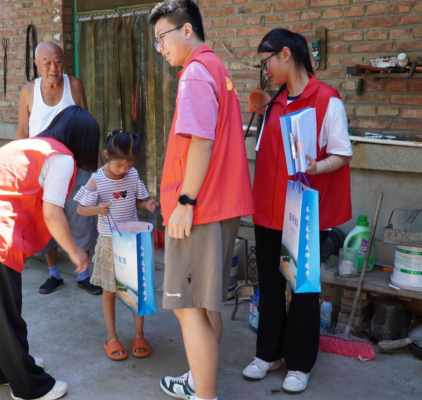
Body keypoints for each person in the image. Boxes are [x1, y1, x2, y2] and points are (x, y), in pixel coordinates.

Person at [0, 106, 100, 400]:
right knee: (4, 312)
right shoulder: (61, 156)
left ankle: (8, 370)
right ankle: (29, 387)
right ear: (84, 139)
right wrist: (76, 252)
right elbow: (53, 213)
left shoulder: (29, 145)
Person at [149, 1, 254, 400]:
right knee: (207, 305)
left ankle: (204, 395)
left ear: (187, 30)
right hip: (221, 206)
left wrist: (186, 201)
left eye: (163, 37)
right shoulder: (217, 68)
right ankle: (198, 381)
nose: (161, 48)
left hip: (201, 209)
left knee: (187, 306)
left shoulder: (195, 72)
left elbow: (201, 141)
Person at [243, 29, 353, 394]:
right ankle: (269, 353)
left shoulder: (326, 100)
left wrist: (317, 167)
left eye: (266, 62)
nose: (266, 71)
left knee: (303, 287)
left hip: (303, 210)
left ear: (286, 55)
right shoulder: (275, 102)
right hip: (268, 209)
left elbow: (341, 153)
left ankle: (300, 362)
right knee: (271, 285)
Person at [17, 40, 103, 296]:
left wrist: (100, 172)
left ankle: (84, 274)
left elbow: (86, 127)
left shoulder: (74, 85)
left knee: (81, 216)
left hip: (75, 164)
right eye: (46, 63)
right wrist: (21, 168)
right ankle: (53, 273)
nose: (53, 68)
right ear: (36, 65)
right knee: (46, 220)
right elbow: (22, 131)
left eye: (58, 61)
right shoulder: (28, 91)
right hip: (42, 168)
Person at [74, 129, 157, 361]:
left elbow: (137, 201)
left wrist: (147, 205)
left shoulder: (132, 175)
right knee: (110, 291)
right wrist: (97, 210)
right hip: (110, 242)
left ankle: (139, 334)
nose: (124, 170)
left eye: (129, 165)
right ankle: (112, 337)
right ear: (106, 154)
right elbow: (81, 209)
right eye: (120, 165)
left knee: (136, 288)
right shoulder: (97, 179)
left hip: (132, 240)